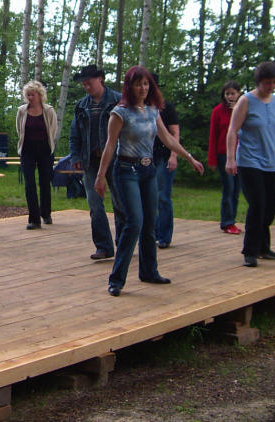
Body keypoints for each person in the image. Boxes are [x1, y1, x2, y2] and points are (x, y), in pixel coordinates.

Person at [94, 66, 203, 296]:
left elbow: (168, 139)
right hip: (126, 170)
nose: (143, 88)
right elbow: (110, 145)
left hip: (149, 170)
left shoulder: (153, 111)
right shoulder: (120, 112)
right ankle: (116, 279)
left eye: (146, 84)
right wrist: (100, 176)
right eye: (138, 84)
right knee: (134, 221)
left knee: (150, 223)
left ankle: (149, 271)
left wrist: (189, 158)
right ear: (129, 87)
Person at [225, 62, 275, 268]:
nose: (271, 86)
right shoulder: (245, 101)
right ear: (258, 82)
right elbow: (232, 130)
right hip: (250, 161)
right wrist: (230, 158)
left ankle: (264, 247)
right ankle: (250, 251)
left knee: (270, 208)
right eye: (267, 83)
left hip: (272, 162)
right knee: (257, 205)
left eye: (274, 82)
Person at [68, 64, 122, 260]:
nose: (87, 87)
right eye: (84, 84)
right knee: (94, 204)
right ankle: (103, 247)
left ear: (100, 79)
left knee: (120, 202)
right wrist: (75, 156)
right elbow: (75, 133)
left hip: (116, 159)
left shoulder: (118, 101)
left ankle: (123, 243)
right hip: (90, 160)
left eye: (89, 83)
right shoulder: (82, 105)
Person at [16, 81, 58, 229]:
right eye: (28, 95)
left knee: (45, 182)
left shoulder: (49, 110)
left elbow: (53, 130)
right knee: (29, 184)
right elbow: (19, 129)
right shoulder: (21, 111)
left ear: (40, 95)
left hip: (45, 149)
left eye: (32, 95)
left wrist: (48, 145)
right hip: (27, 150)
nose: (30, 97)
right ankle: (34, 219)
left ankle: (46, 214)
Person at [208, 81, 242, 234]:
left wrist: (236, 111)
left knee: (237, 189)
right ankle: (227, 222)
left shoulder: (243, 110)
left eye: (233, 93)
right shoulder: (217, 111)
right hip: (223, 155)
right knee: (229, 187)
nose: (230, 96)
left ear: (239, 94)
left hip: (241, 155)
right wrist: (212, 159)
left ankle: (232, 220)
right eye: (227, 94)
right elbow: (213, 136)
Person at [151, 74, 179, 249]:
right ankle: (152, 233)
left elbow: (174, 133)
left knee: (163, 196)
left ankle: (164, 236)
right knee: (149, 197)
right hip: (147, 157)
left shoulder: (166, 107)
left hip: (164, 156)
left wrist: (174, 156)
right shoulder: (141, 108)